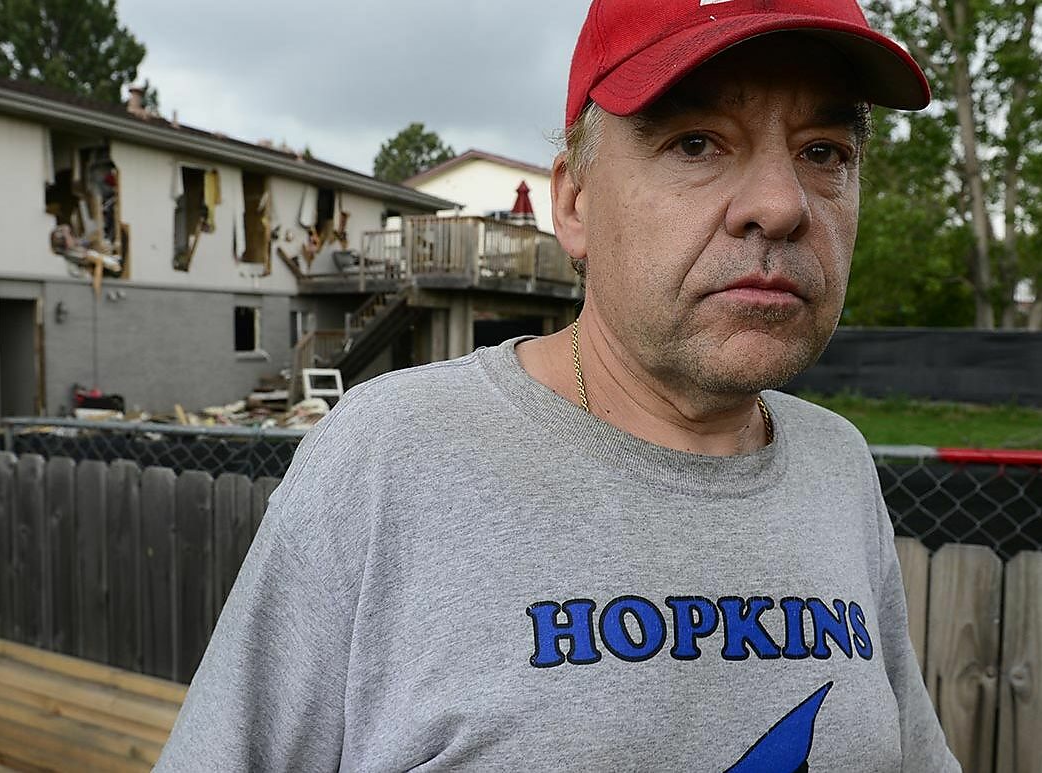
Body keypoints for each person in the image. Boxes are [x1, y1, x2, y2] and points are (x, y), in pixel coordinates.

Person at [155, 0, 961, 769]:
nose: (780, 206)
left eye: (824, 152)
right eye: (695, 143)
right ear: (573, 203)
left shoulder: (835, 463)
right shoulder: (391, 458)